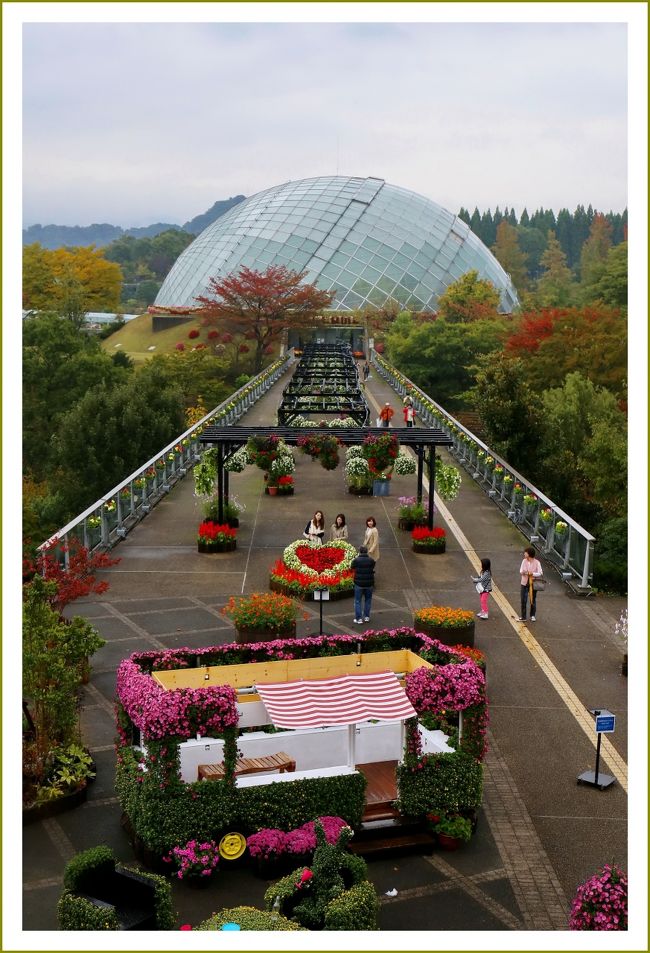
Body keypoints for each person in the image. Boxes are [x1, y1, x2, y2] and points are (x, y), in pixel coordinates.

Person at [351, 545, 375, 624]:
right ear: (367, 551)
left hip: (359, 583)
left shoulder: (356, 560)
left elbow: (352, 567)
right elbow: (373, 566)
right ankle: (367, 617)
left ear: (360, 551)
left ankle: (359, 619)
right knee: (368, 600)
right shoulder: (371, 560)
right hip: (369, 583)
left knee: (357, 601)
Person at [518, 546, 543, 621]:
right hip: (524, 582)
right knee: (523, 600)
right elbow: (521, 570)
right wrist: (523, 572)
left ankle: (532, 615)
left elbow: (540, 573)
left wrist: (532, 574)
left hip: (533, 583)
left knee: (533, 599)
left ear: (529, 554)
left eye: (525, 552)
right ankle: (523, 616)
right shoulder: (524, 561)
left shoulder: (537, 562)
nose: (524, 554)